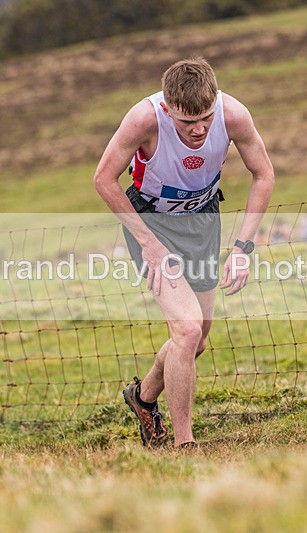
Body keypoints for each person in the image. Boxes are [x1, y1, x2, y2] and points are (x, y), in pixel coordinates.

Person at [93, 57, 275, 448]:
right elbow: (103, 179)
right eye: (186, 122)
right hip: (151, 225)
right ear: (167, 108)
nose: (199, 129)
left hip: (203, 223)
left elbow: (264, 174)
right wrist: (148, 243)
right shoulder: (144, 119)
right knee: (187, 329)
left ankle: (142, 399)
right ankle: (183, 445)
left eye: (205, 118)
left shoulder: (234, 115)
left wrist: (243, 247)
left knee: (198, 339)